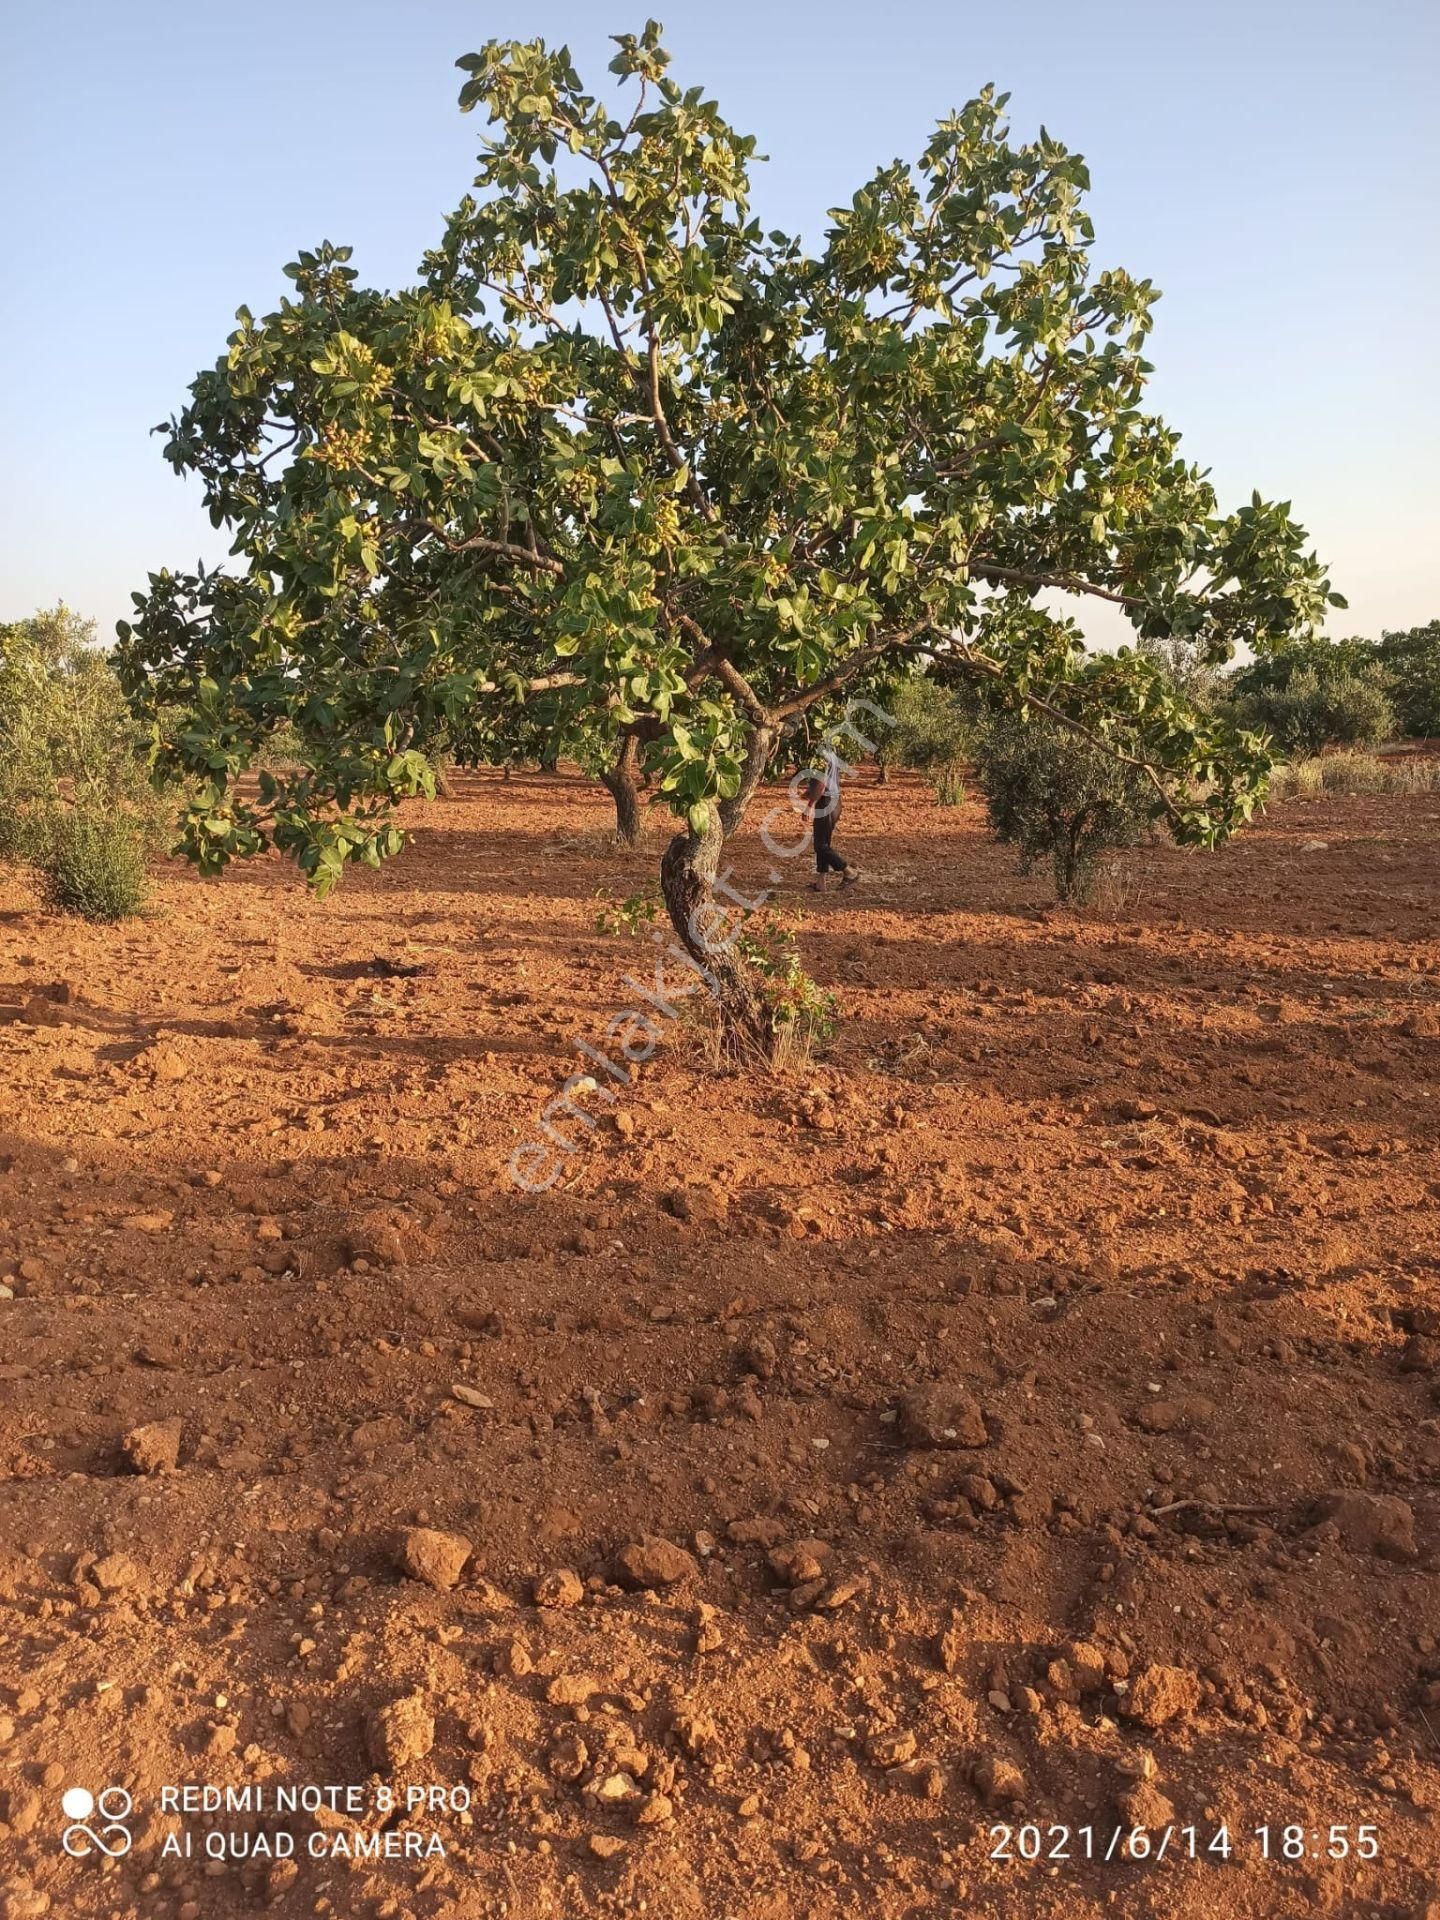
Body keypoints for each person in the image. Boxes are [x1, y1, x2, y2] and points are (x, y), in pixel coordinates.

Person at [802, 746, 860, 888]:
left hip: (827, 802)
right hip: (834, 801)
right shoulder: (831, 753)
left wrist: (809, 806)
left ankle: (849, 872)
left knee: (820, 846)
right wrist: (810, 792)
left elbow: (821, 784)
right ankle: (821, 882)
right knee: (823, 843)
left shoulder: (821, 756)